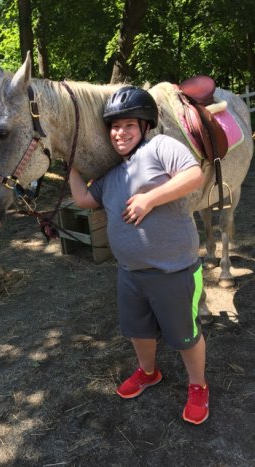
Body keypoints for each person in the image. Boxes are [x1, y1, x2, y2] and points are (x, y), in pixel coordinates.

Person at [68, 86, 209, 425]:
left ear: (145, 125)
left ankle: (198, 386)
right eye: (114, 127)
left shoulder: (161, 147)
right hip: (130, 272)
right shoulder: (113, 175)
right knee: (138, 331)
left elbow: (194, 175)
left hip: (173, 270)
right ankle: (148, 372)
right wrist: (69, 162)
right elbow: (85, 200)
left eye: (129, 125)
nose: (120, 132)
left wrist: (150, 198)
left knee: (185, 334)